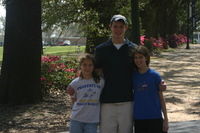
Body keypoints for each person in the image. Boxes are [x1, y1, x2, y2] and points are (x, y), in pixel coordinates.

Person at [67, 14, 166, 133]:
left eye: (121, 26)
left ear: (126, 28)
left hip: (127, 101)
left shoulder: (133, 49)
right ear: (110, 27)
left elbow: (142, 71)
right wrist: (76, 85)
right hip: (107, 101)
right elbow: (93, 74)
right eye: (115, 26)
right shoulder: (101, 49)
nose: (118, 30)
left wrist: (159, 84)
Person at [131, 45, 169, 133]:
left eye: (141, 57)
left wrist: (166, 119)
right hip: (139, 118)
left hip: (154, 117)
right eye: (135, 58)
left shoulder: (155, 76)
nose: (138, 60)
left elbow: (161, 98)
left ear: (147, 58)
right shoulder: (133, 76)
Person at [67, 53, 105, 133]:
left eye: (90, 65)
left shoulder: (100, 82)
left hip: (92, 120)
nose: (87, 67)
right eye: (85, 65)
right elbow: (74, 101)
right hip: (77, 119)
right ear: (80, 66)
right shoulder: (75, 83)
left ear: (93, 66)